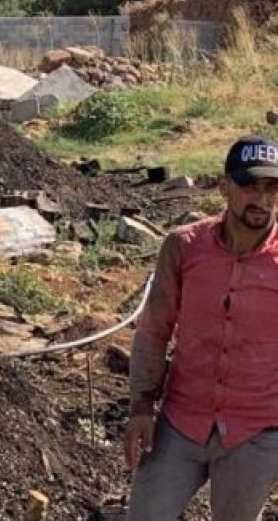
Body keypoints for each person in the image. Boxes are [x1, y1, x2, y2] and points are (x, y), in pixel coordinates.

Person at [124, 135, 278, 520]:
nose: (262, 200)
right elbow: (154, 330)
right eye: (250, 186)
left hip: (255, 432)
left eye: (272, 188)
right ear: (224, 187)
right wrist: (141, 406)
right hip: (181, 422)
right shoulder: (184, 247)